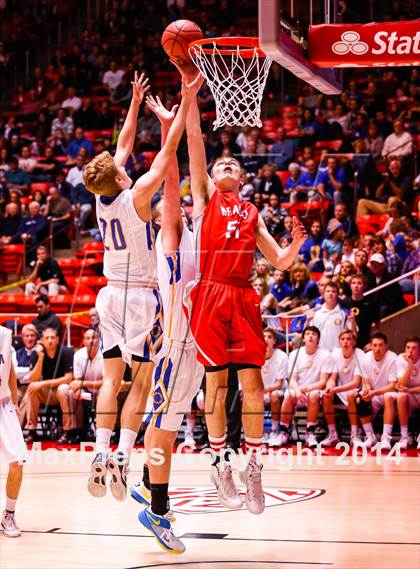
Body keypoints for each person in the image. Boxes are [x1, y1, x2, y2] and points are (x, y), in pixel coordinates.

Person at [183, 65, 307, 515]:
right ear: (214, 177)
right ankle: (220, 462)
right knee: (215, 388)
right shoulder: (204, 198)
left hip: (243, 293)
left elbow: (277, 260)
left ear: (243, 176)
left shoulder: (253, 212)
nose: (227, 164)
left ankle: (253, 464)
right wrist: (190, 94)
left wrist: (295, 243)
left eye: (233, 162)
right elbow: (195, 144)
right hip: (211, 294)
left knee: (253, 386)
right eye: (221, 164)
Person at [84, 72, 203, 501]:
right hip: (138, 295)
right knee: (143, 378)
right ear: (117, 177)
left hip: (108, 293)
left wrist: (134, 105)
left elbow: (123, 146)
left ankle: (99, 449)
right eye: (119, 168)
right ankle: (121, 454)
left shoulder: (101, 195)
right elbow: (165, 157)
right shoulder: (135, 196)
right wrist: (177, 114)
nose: (123, 164)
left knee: (109, 380)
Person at [129, 95, 204, 554]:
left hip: (195, 346)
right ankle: (156, 510)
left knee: (169, 424)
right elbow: (172, 177)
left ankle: (143, 481)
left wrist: (182, 113)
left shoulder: (194, 230)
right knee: (165, 426)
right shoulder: (170, 238)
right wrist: (167, 123)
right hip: (178, 344)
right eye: (168, 210)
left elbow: (191, 168)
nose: (175, 209)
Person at [278, 326, 332, 448]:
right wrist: (297, 391)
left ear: (318, 339)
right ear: (303, 338)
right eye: (307, 334)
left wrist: (304, 389)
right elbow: (292, 378)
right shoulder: (295, 354)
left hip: (314, 390)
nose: (311, 336)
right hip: (298, 391)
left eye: (314, 334)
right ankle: (284, 432)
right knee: (288, 394)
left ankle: (310, 433)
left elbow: (323, 382)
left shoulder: (325, 354)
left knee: (314, 395)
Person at [24, 327, 74, 443]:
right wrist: (40, 358)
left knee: (62, 390)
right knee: (32, 388)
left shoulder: (67, 352)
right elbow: (33, 379)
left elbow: (68, 378)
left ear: (57, 339)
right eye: (47, 338)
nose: (50, 340)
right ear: (42, 340)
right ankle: (32, 431)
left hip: (63, 390)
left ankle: (67, 431)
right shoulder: (37, 353)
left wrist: (42, 383)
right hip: (47, 393)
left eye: (52, 338)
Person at [0, 325, 27, 537]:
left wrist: (15, 403)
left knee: (17, 461)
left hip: (3, 403)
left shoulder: (5, 334)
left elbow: (9, 369)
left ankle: (8, 515)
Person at [56, 328, 103, 444]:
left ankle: (107, 433)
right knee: (63, 390)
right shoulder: (78, 355)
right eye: (88, 338)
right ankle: (70, 431)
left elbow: (106, 382)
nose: (91, 341)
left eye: (94, 337)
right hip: (86, 393)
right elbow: (77, 381)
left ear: (99, 340)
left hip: (103, 393)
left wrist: (82, 384)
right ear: (84, 341)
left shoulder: (106, 354)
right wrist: (78, 389)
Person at [321, 330, 364, 447]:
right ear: (339, 342)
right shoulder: (335, 354)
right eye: (343, 339)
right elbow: (332, 378)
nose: (345, 342)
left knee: (351, 394)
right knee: (326, 396)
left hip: (356, 392)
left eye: (349, 339)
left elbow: (356, 383)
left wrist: (336, 389)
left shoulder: (360, 354)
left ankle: (355, 435)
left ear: (354, 342)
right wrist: (330, 387)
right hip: (339, 392)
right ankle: (332, 434)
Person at [358, 333, 398, 449]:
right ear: (370, 346)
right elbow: (365, 381)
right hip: (373, 394)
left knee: (388, 397)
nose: (377, 349)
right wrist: (367, 390)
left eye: (381, 345)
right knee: (359, 398)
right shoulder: (365, 358)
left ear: (386, 346)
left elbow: (393, 385)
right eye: (375, 345)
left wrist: (374, 392)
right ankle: (370, 436)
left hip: (389, 392)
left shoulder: (392, 358)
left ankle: (386, 438)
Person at [306, 281, 356, 351]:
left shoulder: (345, 313)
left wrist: (353, 322)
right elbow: (308, 334)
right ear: (323, 294)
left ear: (338, 295)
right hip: (320, 352)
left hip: (339, 353)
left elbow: (354, 335)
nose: (330, 293)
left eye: (333, 291)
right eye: (328, 291)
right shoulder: (316, 313)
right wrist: (308, 321)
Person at [261, 328, 288, 446]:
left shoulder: (282, 356)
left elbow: (279, 384)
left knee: (274, 395)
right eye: (264, 336)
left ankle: (274, 430)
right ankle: (259, 432)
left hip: (277, 390)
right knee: (252, 396)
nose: (266, 339)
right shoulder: (255, 354)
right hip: (261, 390)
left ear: (274, 341)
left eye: (269, 337)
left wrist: (264, 390)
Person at [395, 337, 420, 450]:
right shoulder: (400, 359)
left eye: (414, 348)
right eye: (408, 348)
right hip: (408, 395)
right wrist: (410, 365)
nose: (410, 351)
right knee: (400, 396)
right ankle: (404, 436)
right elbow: (401, 384)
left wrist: (409, 390)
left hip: (416, 393)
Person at [342, 274, 379, 349]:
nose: (356, 286)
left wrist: (372, 343)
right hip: (347, 345)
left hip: (365, 345)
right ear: (350, 286)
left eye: (359, 283)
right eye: (353, 283)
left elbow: (377, 327)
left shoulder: (371, 304)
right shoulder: (344, 303)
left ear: (364, 286)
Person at [12, 324, 38, 426]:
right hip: (19, 386)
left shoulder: (40, 352)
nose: (29, 338)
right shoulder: (16, 354)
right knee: (9, 399)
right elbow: (14, 373)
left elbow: (38, 376)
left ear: (36, 337)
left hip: (34, 387)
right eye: (27, 336)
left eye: (32, 335)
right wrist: (30, 370)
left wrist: (23, 374)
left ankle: (18, 431)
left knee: (27, 398)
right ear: (22, 338)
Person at [368, 253, 406, 318]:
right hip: (376, 305)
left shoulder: (391, 280)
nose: (374, 266)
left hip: (391, 308)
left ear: (383, 265)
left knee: (383, 309)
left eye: (377, 264)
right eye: (372, 264)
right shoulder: (369, 277)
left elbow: (393, 300)